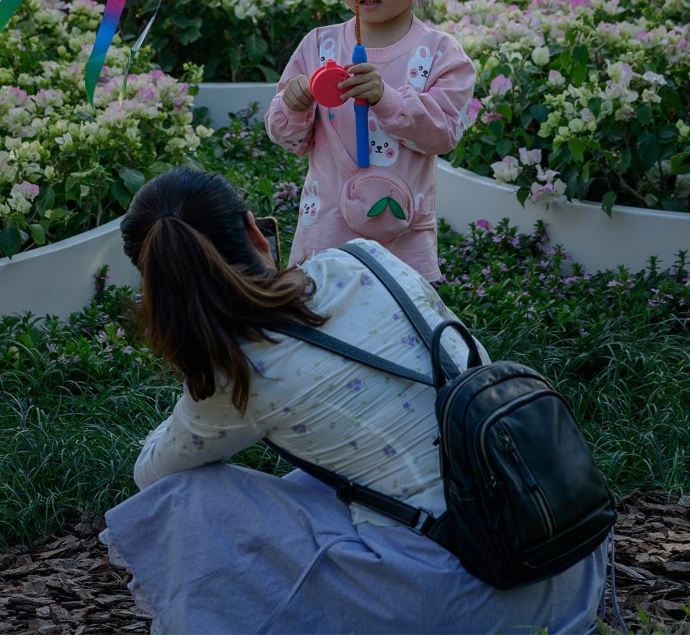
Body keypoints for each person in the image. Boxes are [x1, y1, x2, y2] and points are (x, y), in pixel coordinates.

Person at [102, 166, 608, 635]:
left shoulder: (235, 373)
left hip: (476, 604)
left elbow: (153, 475)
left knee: (183, 499)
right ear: (255, 232)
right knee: (328, 470)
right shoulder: (366, 258)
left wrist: (194, 397)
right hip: (566, 557)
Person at [264, 0, 475, 283]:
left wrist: (387, 99)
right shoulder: (319, 47)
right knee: (323, 315)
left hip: (401, 242)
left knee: (396, 317)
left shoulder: (440, 54)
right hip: (325, 236)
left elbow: (443, 134)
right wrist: (294, 104)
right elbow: (288, 139)